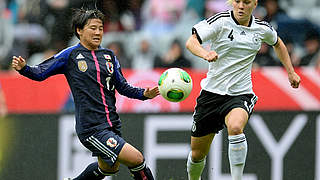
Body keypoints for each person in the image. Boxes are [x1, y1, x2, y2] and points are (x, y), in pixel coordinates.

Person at [11, 8, 159, 180]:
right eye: (92, 28)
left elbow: (123, 87)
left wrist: (144, 94)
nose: (98, 32)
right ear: (79, 31)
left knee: (109, 169)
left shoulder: (109, 56)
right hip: (92, 128)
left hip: (112, 124)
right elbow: (40, 73)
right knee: (137, 159)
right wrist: (24, 69)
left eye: (101, 28)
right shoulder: (70, 55)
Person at [185, 0, 301, 180]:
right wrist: (205, 53)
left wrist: (291, 72)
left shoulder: (262, 28)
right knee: (197, 154)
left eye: (246, 2)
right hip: (211, 94)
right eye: (237, 1)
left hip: (240, 93)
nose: (240, 6)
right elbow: (191, 42)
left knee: (236, 127)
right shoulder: (220, 21)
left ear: (254, 4)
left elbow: (278, 43)